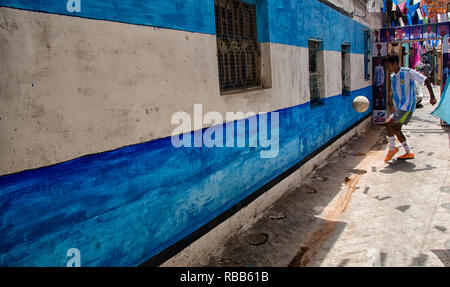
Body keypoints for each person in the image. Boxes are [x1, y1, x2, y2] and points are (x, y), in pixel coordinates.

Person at [382, 54, 437, 162]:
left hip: (408, 106)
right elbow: (395, 93)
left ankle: (392, 149)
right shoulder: (393, 76)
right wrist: (394, 107)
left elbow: (425, 80)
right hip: (400, 107)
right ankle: (408, 152)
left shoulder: (408, 72)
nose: (387, 69)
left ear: (394, 64)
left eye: (388, 66)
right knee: (396, 129)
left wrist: (432, 97)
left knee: (388, 123)